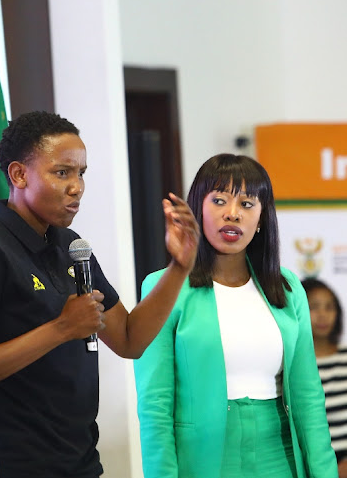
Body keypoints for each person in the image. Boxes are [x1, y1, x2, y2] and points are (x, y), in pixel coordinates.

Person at [0, 110, 200, 477]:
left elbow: (129, 339)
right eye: (62, 172)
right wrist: (60, 329)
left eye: (81, 173)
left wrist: (179, 268)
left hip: (79, 461)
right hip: (13, 465)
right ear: (18, 174)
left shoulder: (70, 246)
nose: (76, 186)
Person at [134, 153, 337, 478]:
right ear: (197, 208)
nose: (232, 214)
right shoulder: (163, 286)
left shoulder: (287, 287)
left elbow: (309, 397)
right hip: (203, 460)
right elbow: (154, 405)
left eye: (246, 204)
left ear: (261, 218)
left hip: (280, 455)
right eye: (219, 200)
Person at [303, 277, 347, 476]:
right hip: (312, 463)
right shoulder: (291, 365)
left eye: (329, 307)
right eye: (314, 307)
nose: (323, 315)